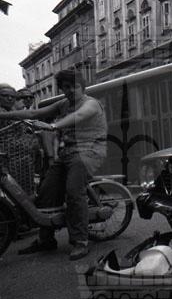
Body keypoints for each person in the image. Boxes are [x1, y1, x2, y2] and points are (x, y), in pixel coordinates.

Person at [0, 70, 107, 260]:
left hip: (88, 152)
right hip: (68, 153)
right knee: (45, 192)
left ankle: (80, 241)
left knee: (74, 193)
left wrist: (53, 126)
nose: (70, 90)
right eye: (66, 87)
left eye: (74, 86)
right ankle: (46, 239)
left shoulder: (91, 103)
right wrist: (5, 116)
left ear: (82, 87)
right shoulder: (64, 103)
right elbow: (34, 112)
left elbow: (79, 116)